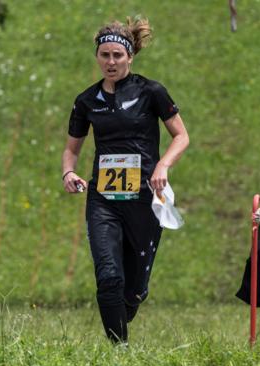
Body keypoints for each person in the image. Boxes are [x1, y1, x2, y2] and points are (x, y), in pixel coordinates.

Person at [61, 17, 190, 343]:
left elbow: (181, 136)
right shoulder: (86, 100)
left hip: (145, 199)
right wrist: (69, 173)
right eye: (104, 55)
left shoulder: (152, 92)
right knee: (108, 276)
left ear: (130, 56)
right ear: (97, 57)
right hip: (103, 199)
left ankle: (127, 310)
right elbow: (71, 150)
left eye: (117, 55)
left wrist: (162, 166)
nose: (111, 62)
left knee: (133, 290)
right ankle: (119, 351)